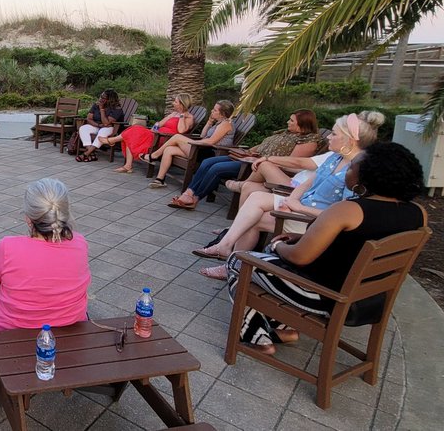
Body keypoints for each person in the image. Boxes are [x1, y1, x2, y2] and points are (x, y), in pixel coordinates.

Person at [224, 142, 427, 355]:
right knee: (267, 259)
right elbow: (357, 240)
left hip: (325, 296)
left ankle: (257, 337)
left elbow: (299, 257)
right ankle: (283, 328)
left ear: (366, 177)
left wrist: (278, 244)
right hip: (369, 299)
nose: (346, 172)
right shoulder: (418, 213)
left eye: (350, 168)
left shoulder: (348, 209)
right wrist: (300, 237)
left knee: (239, 260)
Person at [196, 111, 385, 278]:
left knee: (252, 219)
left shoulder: (356, 173)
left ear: (349, 141)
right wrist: (292, 200)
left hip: (314, 223)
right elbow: (308, 182)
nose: (328, 137)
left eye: (334, 134)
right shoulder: (335, 158)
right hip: (298, 209)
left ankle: (230, 262)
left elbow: (339, 214)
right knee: (255, 198)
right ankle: (227, 252)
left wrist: (299, 207)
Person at [0, 178, 90, 332]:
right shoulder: (79, 243)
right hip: (70, 325)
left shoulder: (8, 246)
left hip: (10, 331)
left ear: (28, 218)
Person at [168, 109, 323, 211]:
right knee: (208, 162)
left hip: (256, 166)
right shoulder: (286, 133)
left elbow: (291, 161)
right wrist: (249, 151)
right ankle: (189, 192)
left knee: (216, 168)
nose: (288, 122)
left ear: (302, 124)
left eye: (292, 121)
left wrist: (261, 159)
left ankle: (194, 198)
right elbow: (263, 144)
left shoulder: (308, 141)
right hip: (250, 158)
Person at [145, 100, 237, 189]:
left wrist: (192, 143)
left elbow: (211, 141)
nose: (212, 111)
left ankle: (154, 156)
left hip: (210, 154)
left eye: (215, 110)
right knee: (169, 149)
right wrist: (209, 122)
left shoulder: (226, 124)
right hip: (200, 149)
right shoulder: (219, 123)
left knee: (177, 137)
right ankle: (160, 180)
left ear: (223, 114)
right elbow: (202, 136)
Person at [101, 93, 195, 173]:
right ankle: (127, 165)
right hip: (156, 134)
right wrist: (156, 127)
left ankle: (111, 141)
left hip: (164, 139)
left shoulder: (189, 117)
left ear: (182, 104)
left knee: (134, 131)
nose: (173, 103)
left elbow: (181, 130)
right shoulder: (173, 114)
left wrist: (182, 116)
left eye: (175, 102)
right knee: (132, 131)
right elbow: (160, 123)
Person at [75, 90, 124, 162]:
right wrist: (98, 124)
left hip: (110, 128)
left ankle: (86, 154)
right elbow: (89, 118)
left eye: (103, 98)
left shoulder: (116, 109)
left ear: (110, 100)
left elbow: (106, 123)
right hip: (97, 126)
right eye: (100, 96)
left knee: (103, 132)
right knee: (83, 128)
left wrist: (101, 109)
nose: (100, 99)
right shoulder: (96, 105)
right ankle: (91, 153)